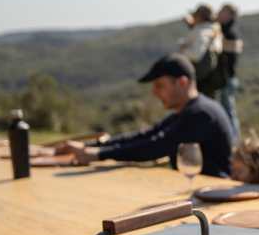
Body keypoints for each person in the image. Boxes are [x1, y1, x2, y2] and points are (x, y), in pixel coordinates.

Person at [58, 54, 234, 178]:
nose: (154, 92)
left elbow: (155, 146)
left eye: (160, 85)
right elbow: (146, 135)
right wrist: (89, 147)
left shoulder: (201, 113)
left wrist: (98, 154)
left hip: (212, 196)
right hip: (197, 192)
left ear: (182, 82)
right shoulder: (191, 110)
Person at [216, 3, 244, 141]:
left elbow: (232, 50)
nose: (219, 13)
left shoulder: (230, 33)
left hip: (227, 78)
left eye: (223, 11)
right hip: (224, 78)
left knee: (228, 111)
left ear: (230, 15)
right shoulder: (223, 31)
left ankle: (234, 141)